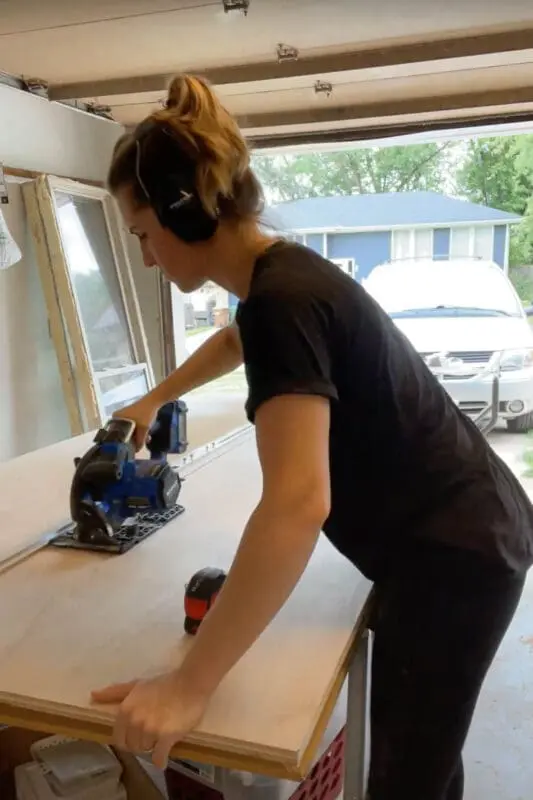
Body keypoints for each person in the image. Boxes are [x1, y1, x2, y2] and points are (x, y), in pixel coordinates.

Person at [90, 74, 533, 799]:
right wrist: (151, 397)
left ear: (185, 214)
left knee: (405, 771)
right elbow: (235, 341)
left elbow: (297, 503)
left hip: (455, 558)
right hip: (462, 532)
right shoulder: (280, 279)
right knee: (419, 747)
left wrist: (189, 685)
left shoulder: (281, 301)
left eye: (142, 234)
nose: (144, 257)